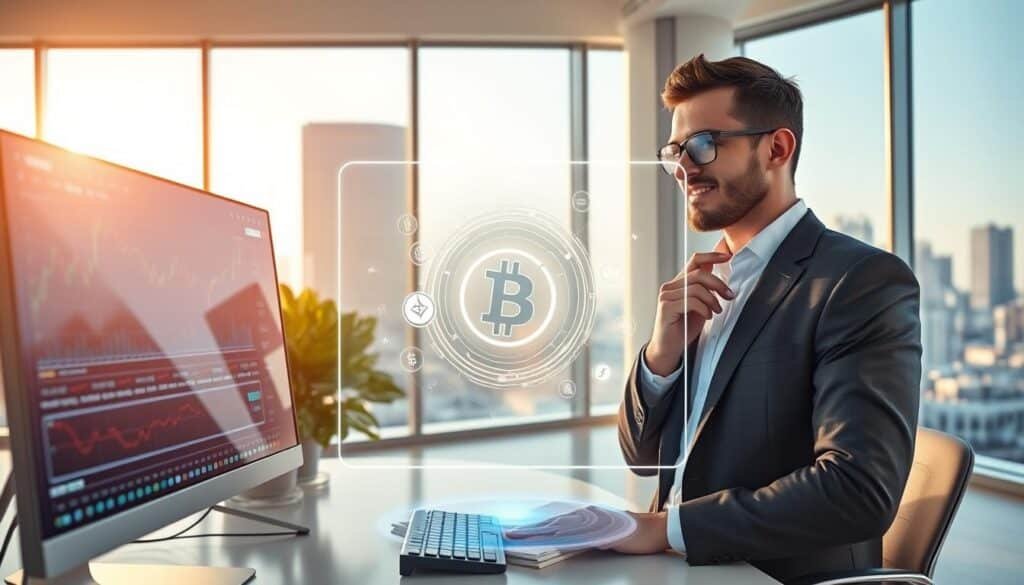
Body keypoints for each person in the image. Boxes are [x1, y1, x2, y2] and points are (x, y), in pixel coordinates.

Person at [510, 54, 922, 583]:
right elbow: (642, 458)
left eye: (704, 144)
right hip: (683, 569)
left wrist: (665, 530)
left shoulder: (859, 281)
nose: (684, 167)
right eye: (675, 151)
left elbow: (857, 490)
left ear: (776, 148)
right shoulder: (705, 283)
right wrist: (662, 355)